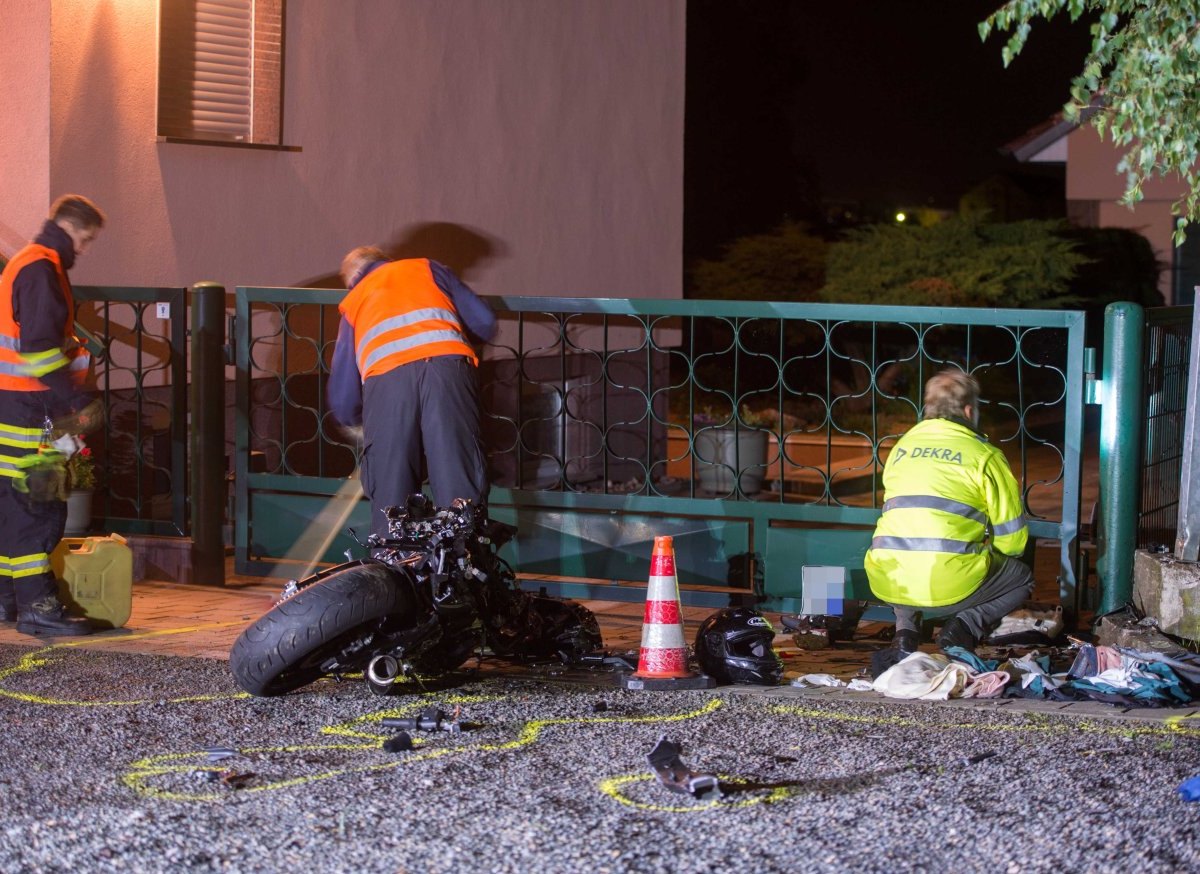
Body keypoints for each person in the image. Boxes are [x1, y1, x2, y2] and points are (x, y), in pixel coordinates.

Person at [328, 247, 497, 539]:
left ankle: (396, 573)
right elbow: (483, 321)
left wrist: (355, 419)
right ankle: (464, 570)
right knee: (460, 484)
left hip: (387, 383)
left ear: (355, 277)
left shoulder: (355, 299)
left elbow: (343, 397)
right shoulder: (426, 267)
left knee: (392, 494)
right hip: (447, 371)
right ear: (386, 260)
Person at [865, 369, 1034, 655]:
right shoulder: (984, 455)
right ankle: (964, 626)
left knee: (904, 547)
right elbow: (1013, 541)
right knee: (1023, 579)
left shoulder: (901, 447)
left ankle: (905, 632)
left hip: (889, 579)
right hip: (953, 584)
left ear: (928, 408)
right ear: (969, 410)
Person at [0, 195, 106, 635]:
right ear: (68, 228)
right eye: (85, 239)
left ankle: (8, 599)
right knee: (37, 503)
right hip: (34, 406)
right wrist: (74, 402)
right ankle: (38, 608)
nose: (83, 249)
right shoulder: (42, 269)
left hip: (13, 402)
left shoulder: (27, 262)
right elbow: (41, 350)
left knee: (12, 502)